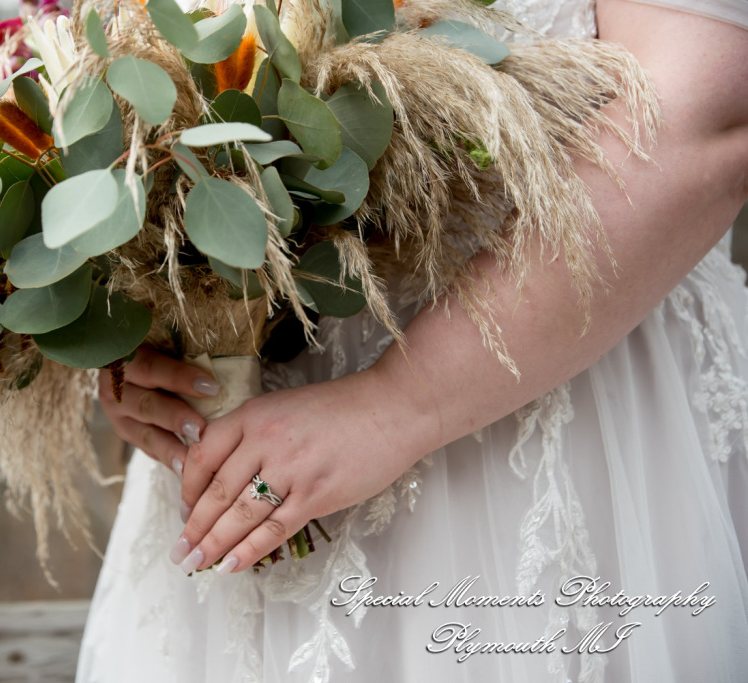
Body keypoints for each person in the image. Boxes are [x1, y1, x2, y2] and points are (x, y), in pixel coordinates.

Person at [77, 0, 748, 680]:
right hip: (234, 467)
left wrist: (395, 404)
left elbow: (695, 118)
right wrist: (150, 331)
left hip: (555, 409)